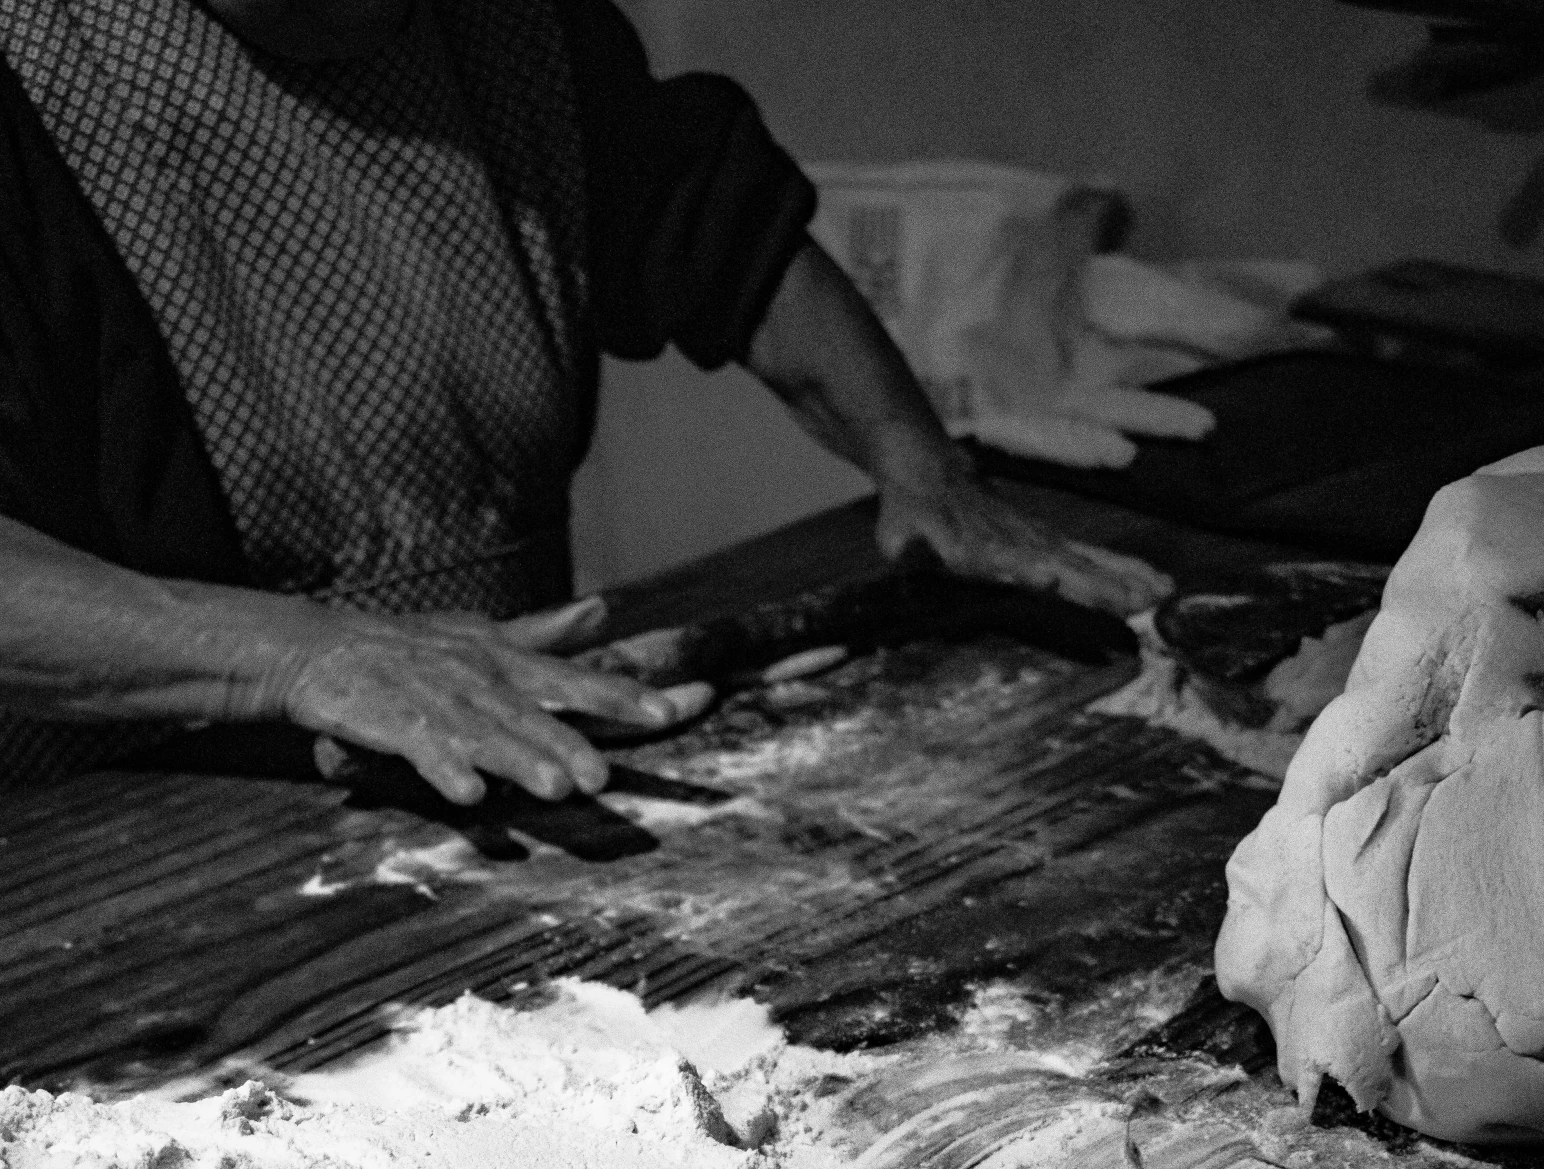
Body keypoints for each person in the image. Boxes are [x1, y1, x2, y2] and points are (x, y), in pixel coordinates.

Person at [0, 0, 1168, 804]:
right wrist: (300, 655)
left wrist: (920, 462)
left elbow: (724, 247)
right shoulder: (38, 75)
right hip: (127, 803)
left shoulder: (517, 33)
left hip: (503, 750)